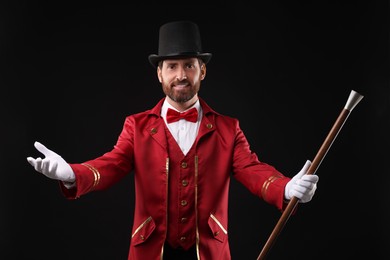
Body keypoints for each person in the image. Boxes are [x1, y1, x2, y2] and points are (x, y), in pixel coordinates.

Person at [26, 20, 319, 260]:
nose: (181, 75)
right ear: (159, 73)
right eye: (172, 66)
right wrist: (72, 175)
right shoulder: (136, 126)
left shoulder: (228, 129)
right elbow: (110, 166)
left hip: (208, 253)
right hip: (151, 252)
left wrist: (285, 187)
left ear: (202, 70)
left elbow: (253, 171)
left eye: (189, 66)